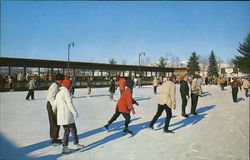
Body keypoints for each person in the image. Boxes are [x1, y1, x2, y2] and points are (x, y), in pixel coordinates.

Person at [53, 79, 84, 154]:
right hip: (67, 115)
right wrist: (75, 113)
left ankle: (65, 147)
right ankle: (76, 144)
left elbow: (54, 104)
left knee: (66, 131)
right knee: (73, 129)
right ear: (68, 85)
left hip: (61, 116)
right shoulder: (66, 92)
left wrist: (55, 111)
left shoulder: (59, 92)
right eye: (70, 85)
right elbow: (69, 103)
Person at [46, 73, 64, 145]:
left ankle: (55, 137)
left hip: (54, 105)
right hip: (52, 105)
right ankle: (53, 139)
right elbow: (51, 97)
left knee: (57, 121)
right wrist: (54, 107)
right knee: (54, 122)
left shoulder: (57, 85)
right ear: (61, 79)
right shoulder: (55, 85)